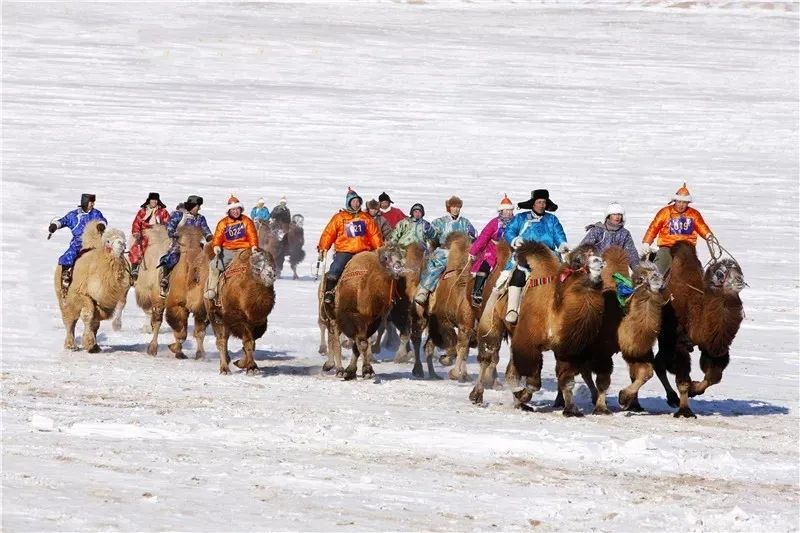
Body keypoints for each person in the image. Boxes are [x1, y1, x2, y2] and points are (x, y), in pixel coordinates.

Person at [501, 189, 568, 324]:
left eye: (544, 202)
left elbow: (559, 235)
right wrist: (515, 240)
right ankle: (512, 309)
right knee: (518, 274)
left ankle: (564, 309)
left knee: (564, 278)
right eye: (539, 202)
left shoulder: (552, 219)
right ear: (533, 203)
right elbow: (509, 231)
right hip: (526, 254)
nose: (542, 205)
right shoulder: (521, 218)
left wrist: (562, 244)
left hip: (548, 256)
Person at [318, 188, 382, 304]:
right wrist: (323, 247)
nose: (356, 204)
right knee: (336, 267)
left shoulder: (366, 218)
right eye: (354, 201)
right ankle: (329, 291)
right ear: (349, 202)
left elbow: (374, 235)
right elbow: (329, 233)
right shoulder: (339, 217)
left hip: (363, 252)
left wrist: (379, 249)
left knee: (375, 270)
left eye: (358, 201)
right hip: (345, 251)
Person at [641, 183, 717, 275]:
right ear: (675, 201)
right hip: (667, 247)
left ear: (688, 203)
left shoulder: (694, 214)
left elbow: (701, 226)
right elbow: (653, 228)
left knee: (697, 270)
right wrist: (647, 242)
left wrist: (708, 235)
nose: (681, 205)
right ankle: (656, 281)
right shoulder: (665, 212)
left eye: (684, 202)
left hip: (687, 248)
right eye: (679, 202)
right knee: (660, 267)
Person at [414, 196, 477, 305]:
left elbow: (472, 237)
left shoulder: (465, 222)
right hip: (445, 250)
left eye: (458, 207)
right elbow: (434, 235)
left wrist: (472, 235)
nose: (456, 209)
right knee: (436, 264)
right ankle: (424, 290)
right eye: (453, 206)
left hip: (462, 251)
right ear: (449, 208)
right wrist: (429, 230)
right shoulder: (440, 222)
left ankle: (475, 292)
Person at [48, 193, 107, 295]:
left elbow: (102, 220)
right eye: (91, 202)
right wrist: (55, 225)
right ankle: (65, 277)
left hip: (94, 241)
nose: (92, 204)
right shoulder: (74, 215)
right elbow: (63, 221)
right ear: (85, 202)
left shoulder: (95, 213)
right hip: (78, 242)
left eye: (93, 202)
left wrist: (101, 225)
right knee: (70, 255)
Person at [205, 195, 259, 300]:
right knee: (214, 266)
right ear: (229, 211)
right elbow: (218, 237)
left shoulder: (247, 221)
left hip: (244, 250)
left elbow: (252, 235)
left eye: (237, 209)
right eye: (233, 209)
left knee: (257, 266)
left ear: (241, 209)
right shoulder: (223, 223)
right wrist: (216, 246)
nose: (235, 211)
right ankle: (212, 289)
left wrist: (254, 246)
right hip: (228, 250)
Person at [159, 195, 212, 296]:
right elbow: (170, 227)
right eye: (197, 206)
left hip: (196, 246)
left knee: (206, 260)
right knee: (173, 257)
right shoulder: (178, 215)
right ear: (192, 206)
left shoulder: (200, 218)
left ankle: (206, 283)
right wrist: (176, 234)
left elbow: (206, 230)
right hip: (180, 244)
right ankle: (165, 278)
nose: (199, 208)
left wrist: (210, 238)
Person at [468, 194, 515, 307]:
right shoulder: (494, 223)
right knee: (485, 267)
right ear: (501, 211)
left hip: (510, 250)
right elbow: (483, 236)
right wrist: (473, 251)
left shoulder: (516, 222)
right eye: (506, 210)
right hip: (493, 250)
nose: (508, 212)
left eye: (510, 210)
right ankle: (477, 292)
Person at [579, 202, 639, 268]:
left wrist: (636, 268)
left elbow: (631, 252)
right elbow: (583, 247)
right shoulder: (597, 230)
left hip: (615, 267)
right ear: (608, 216)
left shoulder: (625, 233)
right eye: (614, 214)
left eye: (619, 214)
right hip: (596, 266)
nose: (617, 217)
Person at [129, 192, 170, 281]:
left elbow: (168, 223)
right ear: (149, 200)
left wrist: (166, 233)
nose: (154, 202)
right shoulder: (142, 212)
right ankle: (135, 268)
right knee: (137, 247)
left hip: (159, 235)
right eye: (152, 200)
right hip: (145, 234)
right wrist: (136, 233)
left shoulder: (163, 212)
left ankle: (165, 274)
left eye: (156, 200)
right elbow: (136, 223)